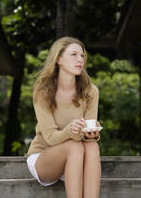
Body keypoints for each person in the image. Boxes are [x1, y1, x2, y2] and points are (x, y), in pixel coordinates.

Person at [27, 37, 101, 198]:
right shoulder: (42, 91)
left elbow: (87, 136)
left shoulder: (91, 91)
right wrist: (69, 131)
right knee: (74, 146)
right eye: (73, 54)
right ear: (59, 59)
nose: (80, 60)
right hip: (45, 157)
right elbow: (51, 137)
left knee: (92, 146)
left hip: (77, 157)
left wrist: (91, 134)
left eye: (82, 55)